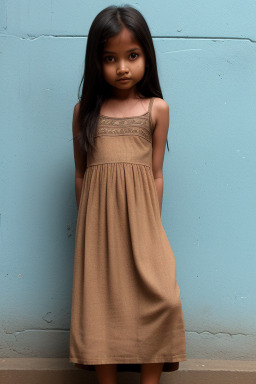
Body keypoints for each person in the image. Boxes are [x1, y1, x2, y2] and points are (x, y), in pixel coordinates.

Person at [69, 5, 186, 384]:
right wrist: (89, 228)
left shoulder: (156, 109)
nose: (122, 67)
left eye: (132, 56)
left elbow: (155, 175)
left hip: (143, 224)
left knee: (161, 299)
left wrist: (152, 225)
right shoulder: (85, 111)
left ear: (146, 57)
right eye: (110, 58)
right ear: (96, 62)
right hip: (98, 231)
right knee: (102, 306)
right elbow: (81, 173)